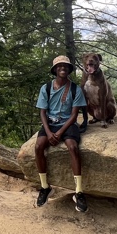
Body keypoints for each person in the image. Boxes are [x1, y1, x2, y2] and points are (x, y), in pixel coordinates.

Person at [34, 55, 89, 212]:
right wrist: (50, 132)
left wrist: (59, 132)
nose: (62, 68)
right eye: (59, 66)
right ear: (55, 70)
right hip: (50, 123)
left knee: (72, 147)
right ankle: (45, 187)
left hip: (67, 124)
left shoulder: (75, 89)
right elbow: (43, 112)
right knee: (38, 146)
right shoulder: (46, 88)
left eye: (65, 66)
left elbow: (73, 115)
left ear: (69, 69)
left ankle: (79, 191)